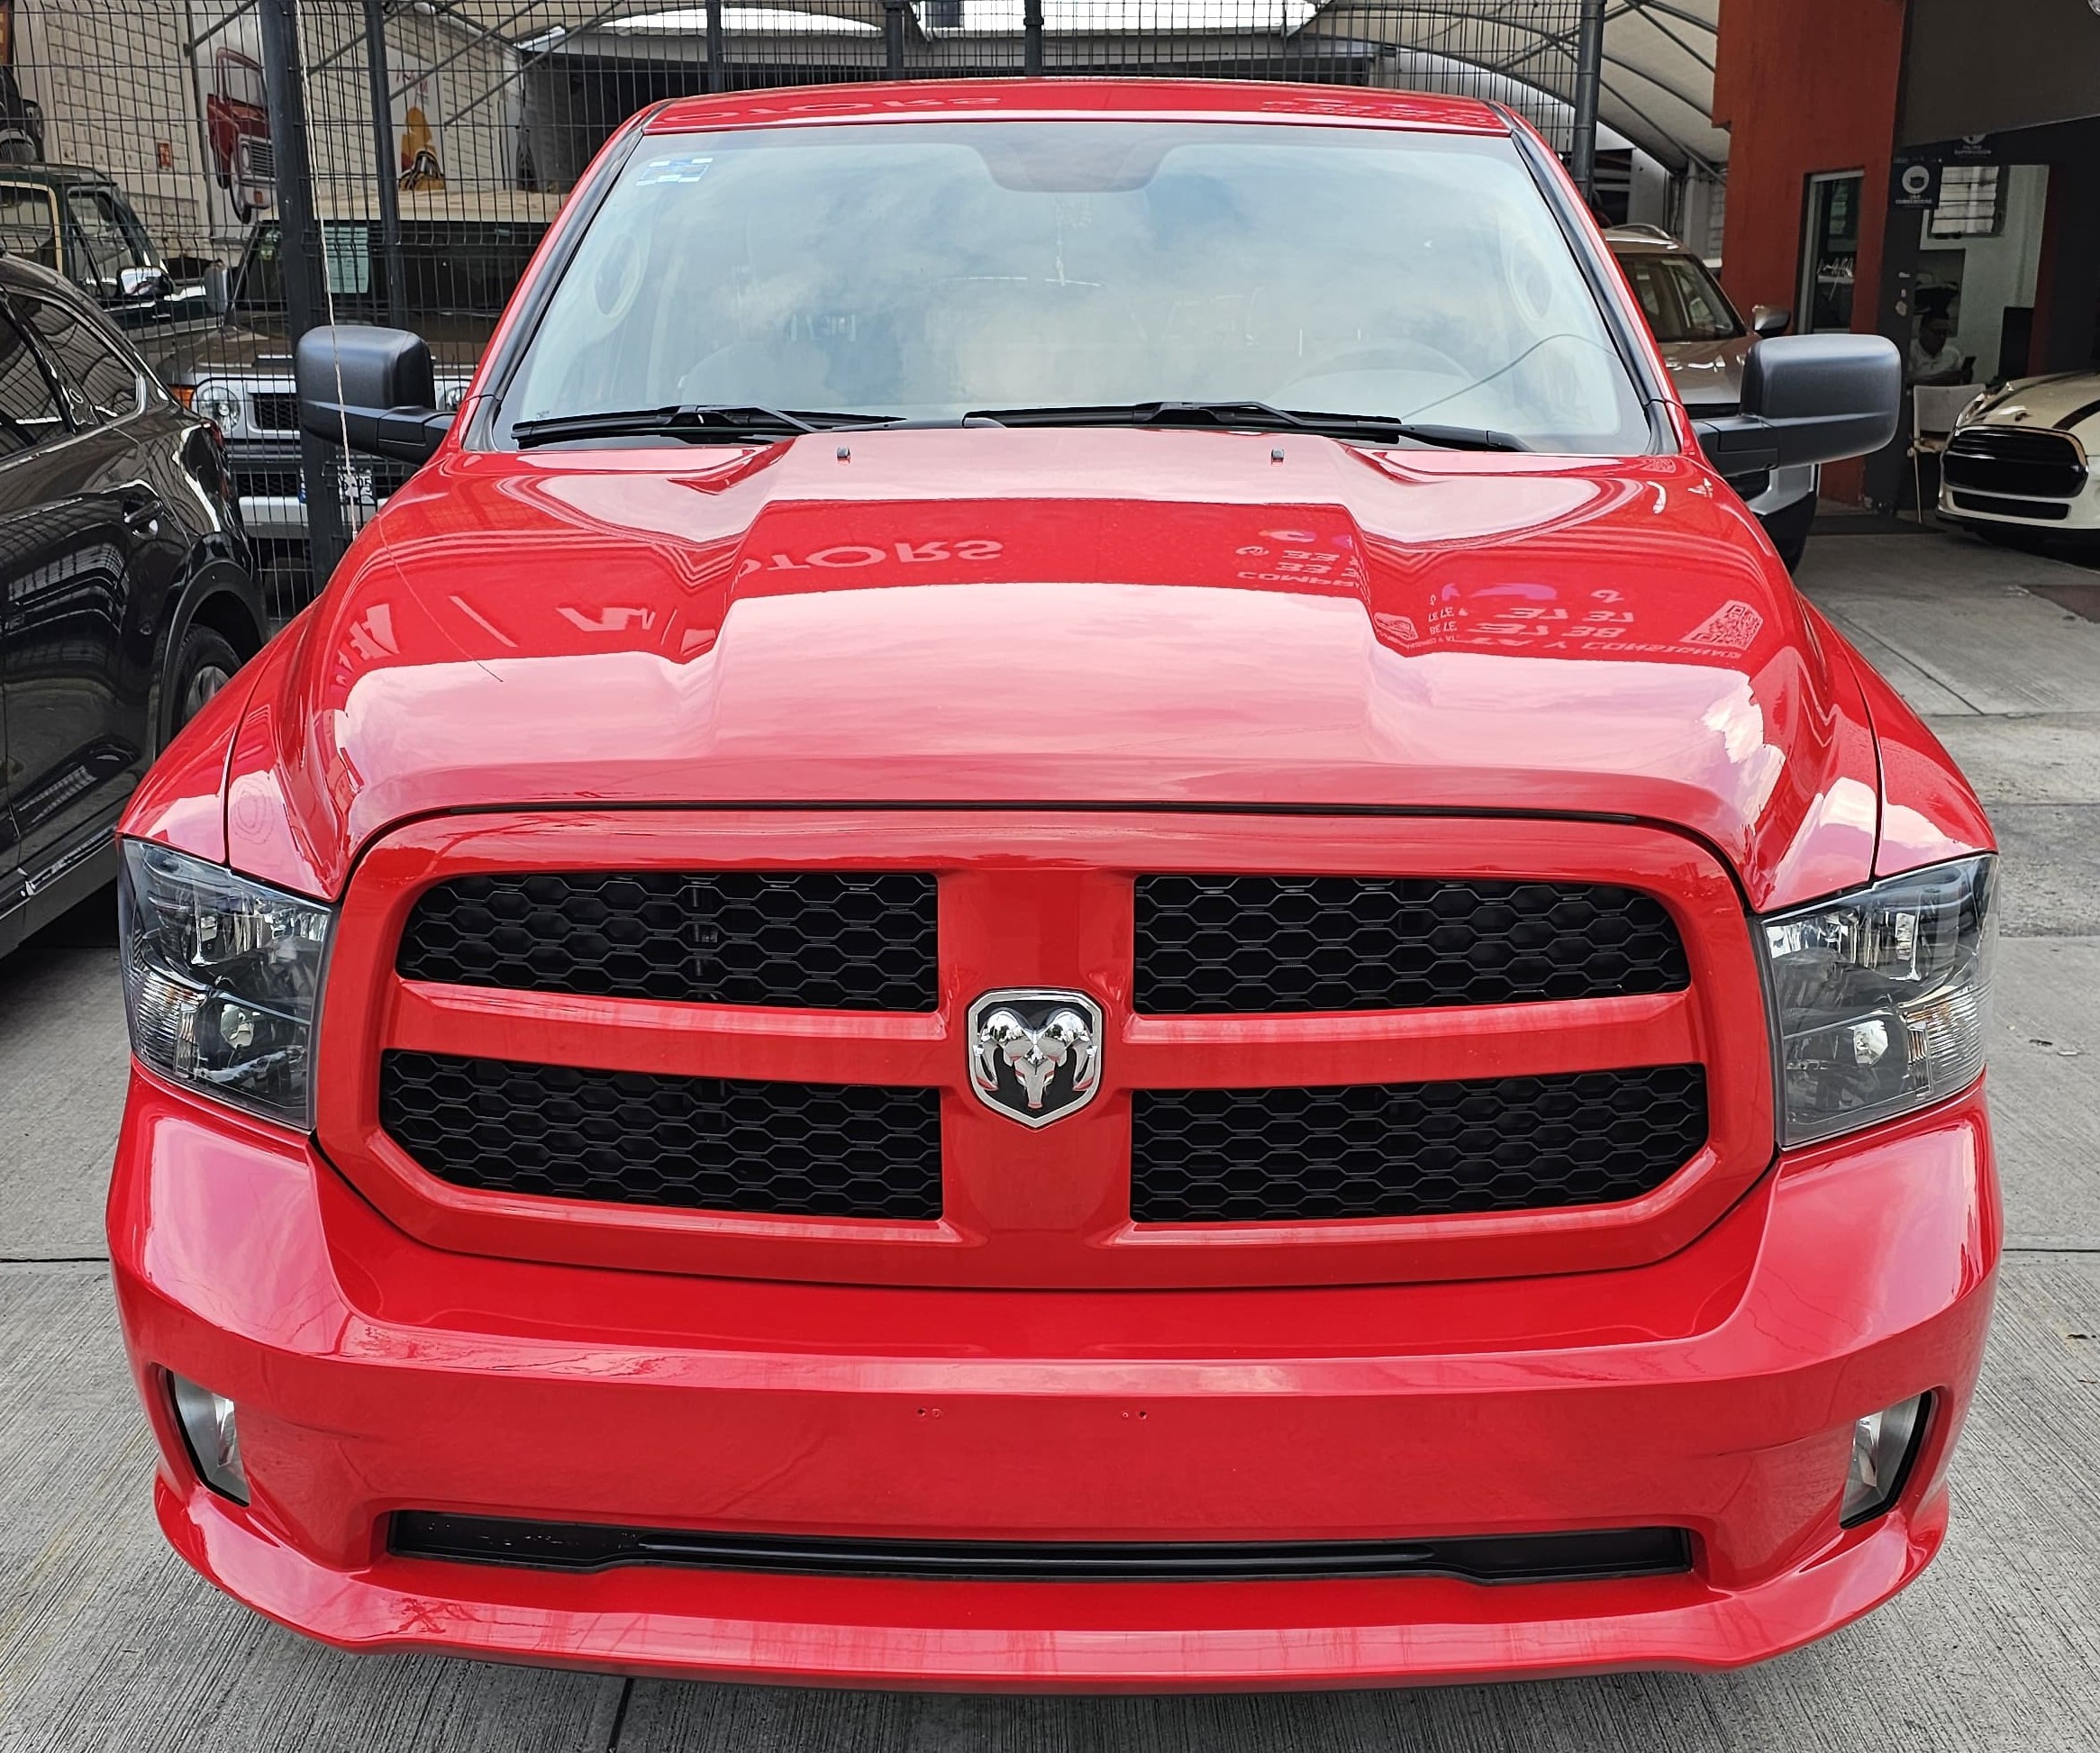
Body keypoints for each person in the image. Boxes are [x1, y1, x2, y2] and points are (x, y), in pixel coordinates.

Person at [1908, 312, 1969, 386]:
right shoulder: (1909, 352)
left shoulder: (1952, 354)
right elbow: (1908, 383)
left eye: (1944, 333)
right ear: (1922, 331)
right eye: (1936, 332)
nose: (1941, 337)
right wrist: (1941, 379)